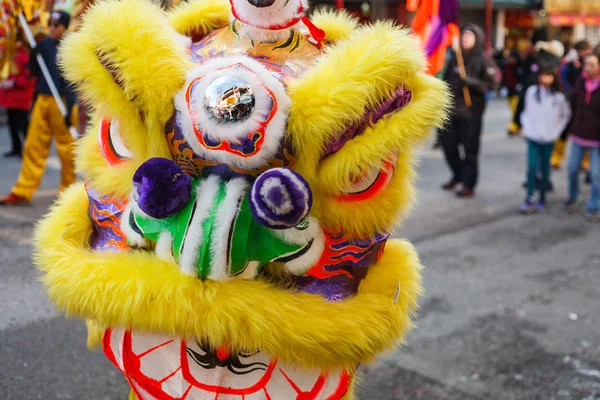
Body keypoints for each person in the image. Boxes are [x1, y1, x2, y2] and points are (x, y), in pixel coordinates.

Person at [0, 11, 76, 206]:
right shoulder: (43, 45)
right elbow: (34, 71)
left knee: (67, 151)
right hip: (43, 99)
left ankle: (68, 192)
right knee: (33, 146)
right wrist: (33, 53)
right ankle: (23, 189)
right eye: (50, 24)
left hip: (63, 101)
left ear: (64, 27)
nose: (51, 28)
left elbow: (73, 80)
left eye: (56, 25)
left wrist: (70, 106)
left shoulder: (72, 47)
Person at [440, 24, 497, 198]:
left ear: (477, 39)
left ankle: (468, 183)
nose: (465, 38)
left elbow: (491, 86)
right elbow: (446, 81)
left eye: (469, 36)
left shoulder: (484, 60)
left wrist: (469, 81)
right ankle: (458, 175)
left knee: (470, 152)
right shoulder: (455, 58)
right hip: (451, 113)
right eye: (463, 35)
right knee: (448, 148)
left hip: (471, 114)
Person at [519, 68, 571, 214]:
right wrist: (526, 127)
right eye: (542, 75)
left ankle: (542, 197)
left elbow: (565, 115)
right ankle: (529, 196)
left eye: (548, 75)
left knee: (544, 169)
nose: (544, 78)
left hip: (549, 139)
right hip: (533, 136)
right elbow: (526, 111)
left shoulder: (559, 97)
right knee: (531, 167)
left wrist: (556, 132)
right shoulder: (532, 92)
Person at [564, 53, 600, 222]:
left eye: (592, 64)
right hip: (579, 133)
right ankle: (573, 196)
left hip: (596, 138)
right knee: (572, 169)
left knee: (595, 175)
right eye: (586, 64)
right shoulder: (580, 82)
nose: (587, 68)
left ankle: (594, 206)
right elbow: (573, 104)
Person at [551, 40, 592, 170]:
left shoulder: (590, 64)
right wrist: (569, 93)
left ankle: (585, 163)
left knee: (587, 133)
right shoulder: (568, 63)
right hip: (570, 101)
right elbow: (562, 78)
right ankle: (556, 158)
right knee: (564, 130)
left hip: (586, 103)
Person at [0, 40, 36, 157]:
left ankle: (30, 149)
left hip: (21, 96)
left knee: (23, 124)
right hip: (10, 95)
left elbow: (29, 76)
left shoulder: (25, 53)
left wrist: (14, 83)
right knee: (12, 124)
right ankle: (16, 147)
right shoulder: (9, 52)